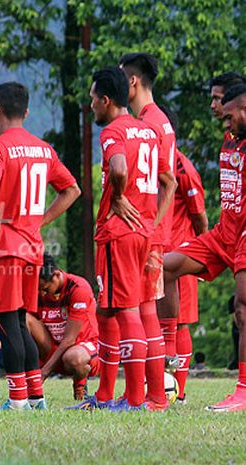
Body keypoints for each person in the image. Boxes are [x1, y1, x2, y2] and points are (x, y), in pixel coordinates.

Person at [70, 67, 167, 412]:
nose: (91, 104)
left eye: (93, 98)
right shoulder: (147, 131)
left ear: (106, 100)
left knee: (126, 313)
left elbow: (121, 169)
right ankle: (110, 395)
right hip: (143, 232)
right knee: (110, 312)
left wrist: (118, 197)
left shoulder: (112, 132)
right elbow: (163, 179)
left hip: (119, 233)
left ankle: (136, 400)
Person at [0, 81, 80, 411]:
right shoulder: (43, 149)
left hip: (4, 249)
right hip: (32, 249)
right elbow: (72, 190)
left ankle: (17, 399)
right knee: (21, 322)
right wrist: (40, 221)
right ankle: (36, 397)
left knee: (7, 325)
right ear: (26, 111)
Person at [162, 83, 246, 412]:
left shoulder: (182, 166)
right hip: (223, 233)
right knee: (163, 266)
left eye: (226, 113)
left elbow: (196, 208)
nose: (222, 120)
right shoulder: (231, 140)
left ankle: (242, 390)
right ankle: (168, 357)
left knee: (242, 309)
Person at [119, 53, 177, 409]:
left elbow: (167, 182)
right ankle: (138, 393)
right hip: (149, 232)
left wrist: (153, 226)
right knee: (138, 310)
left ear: (133, 82)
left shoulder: (150, 123)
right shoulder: (158, 120)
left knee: (142, 312)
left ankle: (154, 396)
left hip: (144, 233)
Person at [157, 105, 207, 403]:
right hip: (154, 255)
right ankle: (161, 385)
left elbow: (200, 216)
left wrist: (203, 258)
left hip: (181, 256)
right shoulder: (152, 162)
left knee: (181, 322)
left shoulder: (183, 167)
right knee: (157, 322)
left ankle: (180, 391)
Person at [27, 253, 99, 401]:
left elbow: (69, 339)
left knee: (74, 358)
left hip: (81, 346)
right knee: (24, 318)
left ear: (56, 275)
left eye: (45, 289)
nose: (42, 294)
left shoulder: (78, 287)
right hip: (52, 348)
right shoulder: (38, 291)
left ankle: (80, 386)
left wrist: (44, 372)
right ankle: (22, 382)